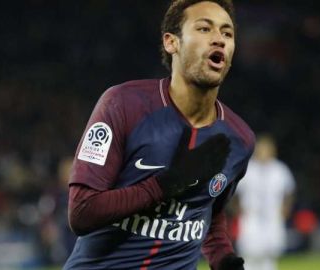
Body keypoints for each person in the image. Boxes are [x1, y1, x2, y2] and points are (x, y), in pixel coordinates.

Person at [63, 1, 255, 269]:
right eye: (204, 28)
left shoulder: (240, 139)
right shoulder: (124, 104)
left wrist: (222, 257)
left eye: (227, 33)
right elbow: (82, 212)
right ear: (171, 43)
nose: (219, 40)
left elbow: (209, 211)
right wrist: (164, 185)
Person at [235, 134, 295, 270]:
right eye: (261, 149)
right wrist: (237, 209)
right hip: (251, 216)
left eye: (266, 149)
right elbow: (234, 192)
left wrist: (286, 208)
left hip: (273, 216)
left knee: (270, 252)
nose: (263, 153)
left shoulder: (280, 169)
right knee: (249, 252)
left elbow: (289, 191)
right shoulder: (248, 169)